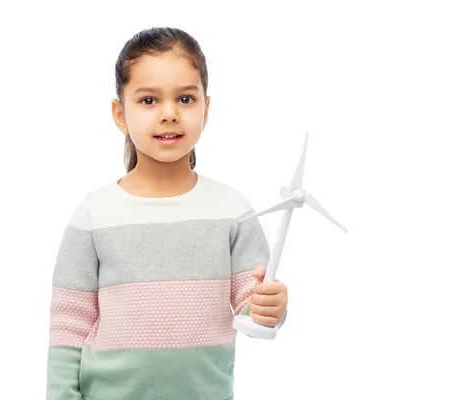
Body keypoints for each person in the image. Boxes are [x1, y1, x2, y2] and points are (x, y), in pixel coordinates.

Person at [46, 26, 288, 400]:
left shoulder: (232, 210)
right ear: (119, 113)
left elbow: (253, 307)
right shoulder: (94, 213)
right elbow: (68, 324)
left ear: (207, 109)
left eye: (186, 99)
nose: (170, 114)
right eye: (148, 101)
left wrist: (270, 306)